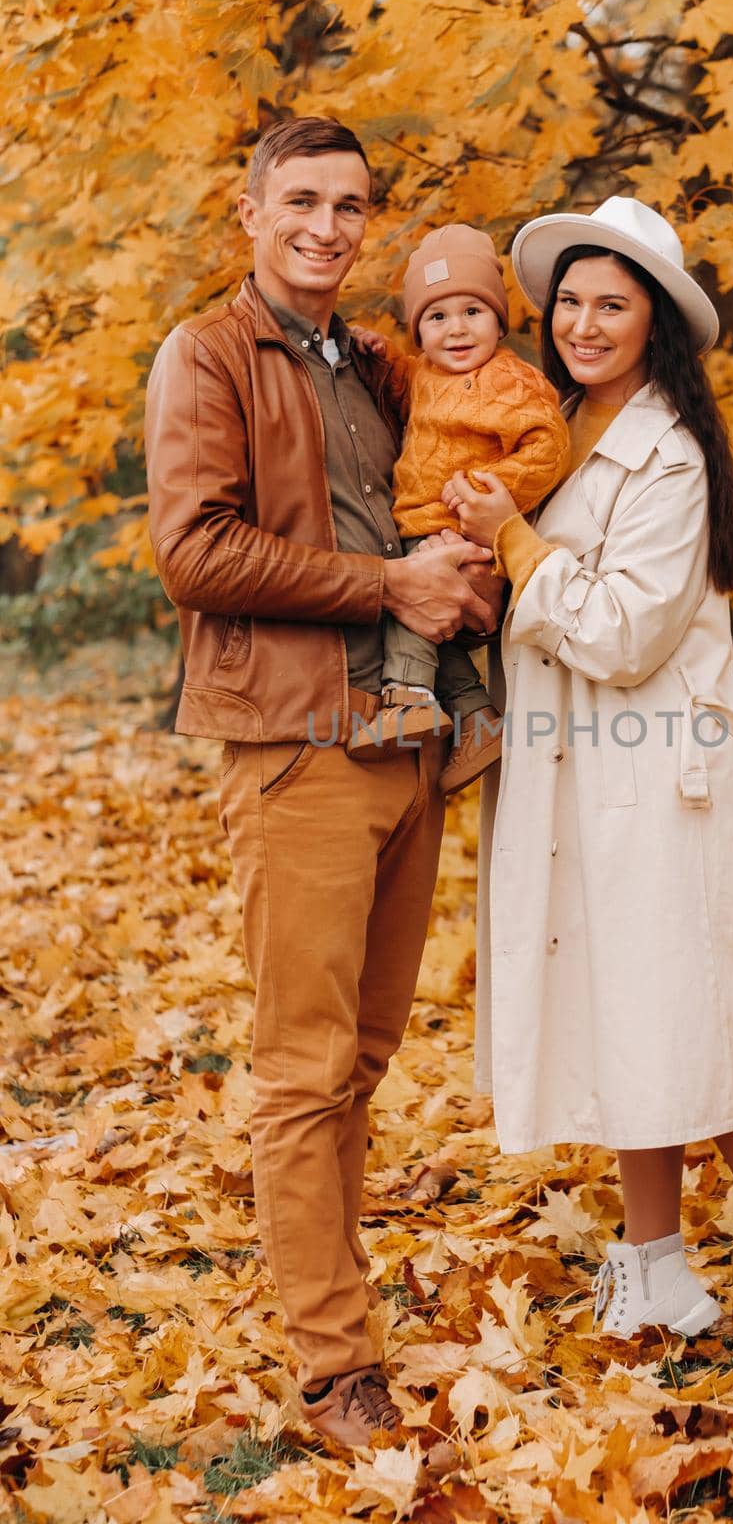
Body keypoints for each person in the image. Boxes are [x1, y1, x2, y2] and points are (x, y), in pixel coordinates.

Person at [449, 196, 733, 1349]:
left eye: (611, 305)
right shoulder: (551, 426)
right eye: (570, 301)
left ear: (653, 325)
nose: (583, 322)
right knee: (622, 1006)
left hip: (652, 771)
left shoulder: (668, 454)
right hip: (569, 761)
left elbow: (623, 630)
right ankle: (655, 1264)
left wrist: (514, 546)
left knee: (687, 1008)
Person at [144, 116, 504, 1446]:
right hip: (297, 750)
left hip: (406, 743)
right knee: (303, 1066)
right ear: (249, 212)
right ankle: (333, 1367)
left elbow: (436, 504)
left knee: (361, 1053)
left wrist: (462, 574)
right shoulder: (204, 356)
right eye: (301, 200)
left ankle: (334, 1299)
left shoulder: (374, 367)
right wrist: (386, 585)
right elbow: (194, 552)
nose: (327, 227)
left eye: (350, 206)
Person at [373, 224, 570, 794]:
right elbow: (396, 381)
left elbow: (549, 446)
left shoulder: (508, 381)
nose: (455, 329)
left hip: (464, 534)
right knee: (436, 634)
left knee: (407, 606)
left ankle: (406, 700)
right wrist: (375, 351)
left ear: (498, 321)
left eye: (472, 312)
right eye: (436, 318)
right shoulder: (425, 375)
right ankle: (477, 720)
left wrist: (488, 491)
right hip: (421, 528)